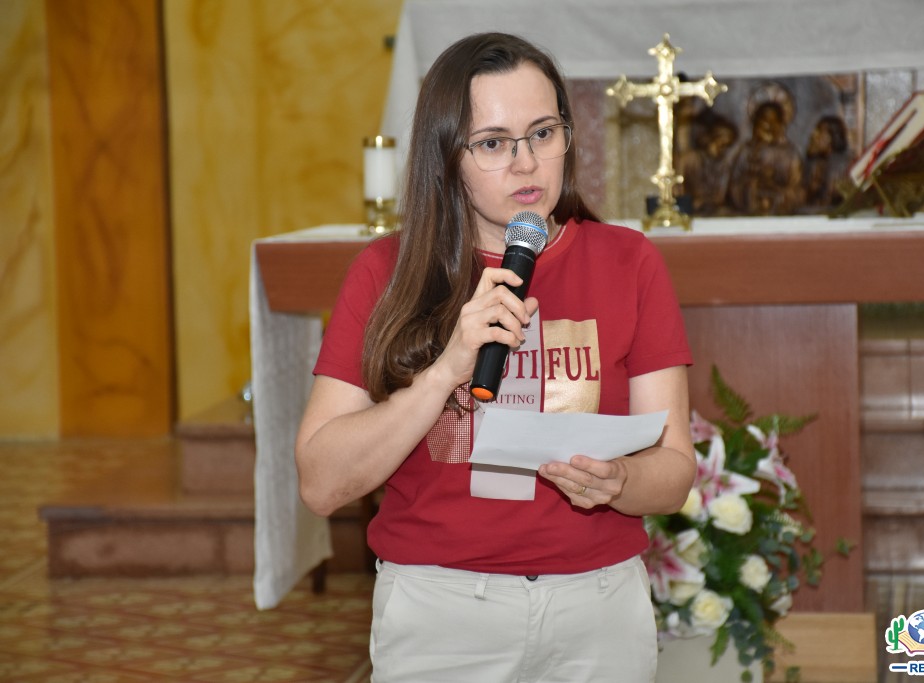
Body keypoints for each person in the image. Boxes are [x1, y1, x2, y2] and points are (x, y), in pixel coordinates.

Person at [294, 32, 696, 683]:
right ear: (446, 156)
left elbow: (675, 472)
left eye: (543, 133)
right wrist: (444, 372)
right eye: (492, 143)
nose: (526, 163)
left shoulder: (629, 262)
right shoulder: (386, 273)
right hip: (442, 613)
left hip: (596, 608)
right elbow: (321, 483)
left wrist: (620, 480)